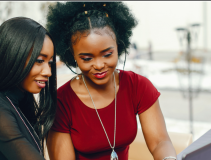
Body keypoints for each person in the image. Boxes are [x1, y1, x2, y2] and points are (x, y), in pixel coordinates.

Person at [46, 2, 177, 160]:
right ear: (72, 55)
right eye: (87, 58)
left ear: (118, 45)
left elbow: (159, 142)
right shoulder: (62, 101)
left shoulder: (137, 86)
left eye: (107, 54)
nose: (99, 65)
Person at [0, 17, 56, 160]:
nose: (48, 72)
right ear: (14, 56)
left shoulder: (18, 100)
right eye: (39, 61)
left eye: (50, 63)